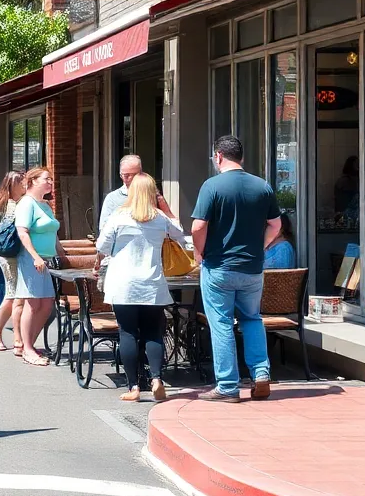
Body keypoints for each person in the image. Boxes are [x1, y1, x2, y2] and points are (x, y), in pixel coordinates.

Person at [191, 135, 282, 403]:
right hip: (252, 268)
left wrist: (199, 252)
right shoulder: (262, 186)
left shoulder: (212, 186)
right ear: (240, 157)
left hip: (219, 266)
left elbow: (198, 226)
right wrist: (261, 247)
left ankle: (228, 386)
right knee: (252, 319)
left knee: (221, 324)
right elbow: (276, 225)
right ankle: (261, 373)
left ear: (218, 156)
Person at [96, 173, 186, 402]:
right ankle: (156, 379)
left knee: (127, 333)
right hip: (152, 283)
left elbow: (102, 245)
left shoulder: (119, 217)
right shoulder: (159, 218)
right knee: (153, 332)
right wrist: (165, 206)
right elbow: (180, 235)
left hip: (123, 283)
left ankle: (134, 387)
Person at [13, 167, 69, 366]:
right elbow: (23, 232)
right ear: (33, 181)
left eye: (52, 179)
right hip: (31, 259)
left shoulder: (45, 204)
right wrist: (35, 256)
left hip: (48, 259)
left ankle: (29, 344)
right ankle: (27, 348)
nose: (51, 183)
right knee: (33, 303)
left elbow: (52, 232)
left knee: (46, 305)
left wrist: (60, 251)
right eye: (47, 179)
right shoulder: (26, 204)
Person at [0, 171, 26, 353]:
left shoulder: (25, 201)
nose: (24, 185)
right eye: (21, 182)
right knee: (11, 293)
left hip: (24, 253)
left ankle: (22, 337)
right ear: (12, 183)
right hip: (7, 254)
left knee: (20, 296)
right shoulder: (1, 201)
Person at [100, 155, 175, 232]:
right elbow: (103, 230)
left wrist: (160, 202)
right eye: (126, 175)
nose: (131, 178)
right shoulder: (113, 198)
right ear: (120, 175)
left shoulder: (153, 195)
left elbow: (173, 226)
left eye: (135, 175)